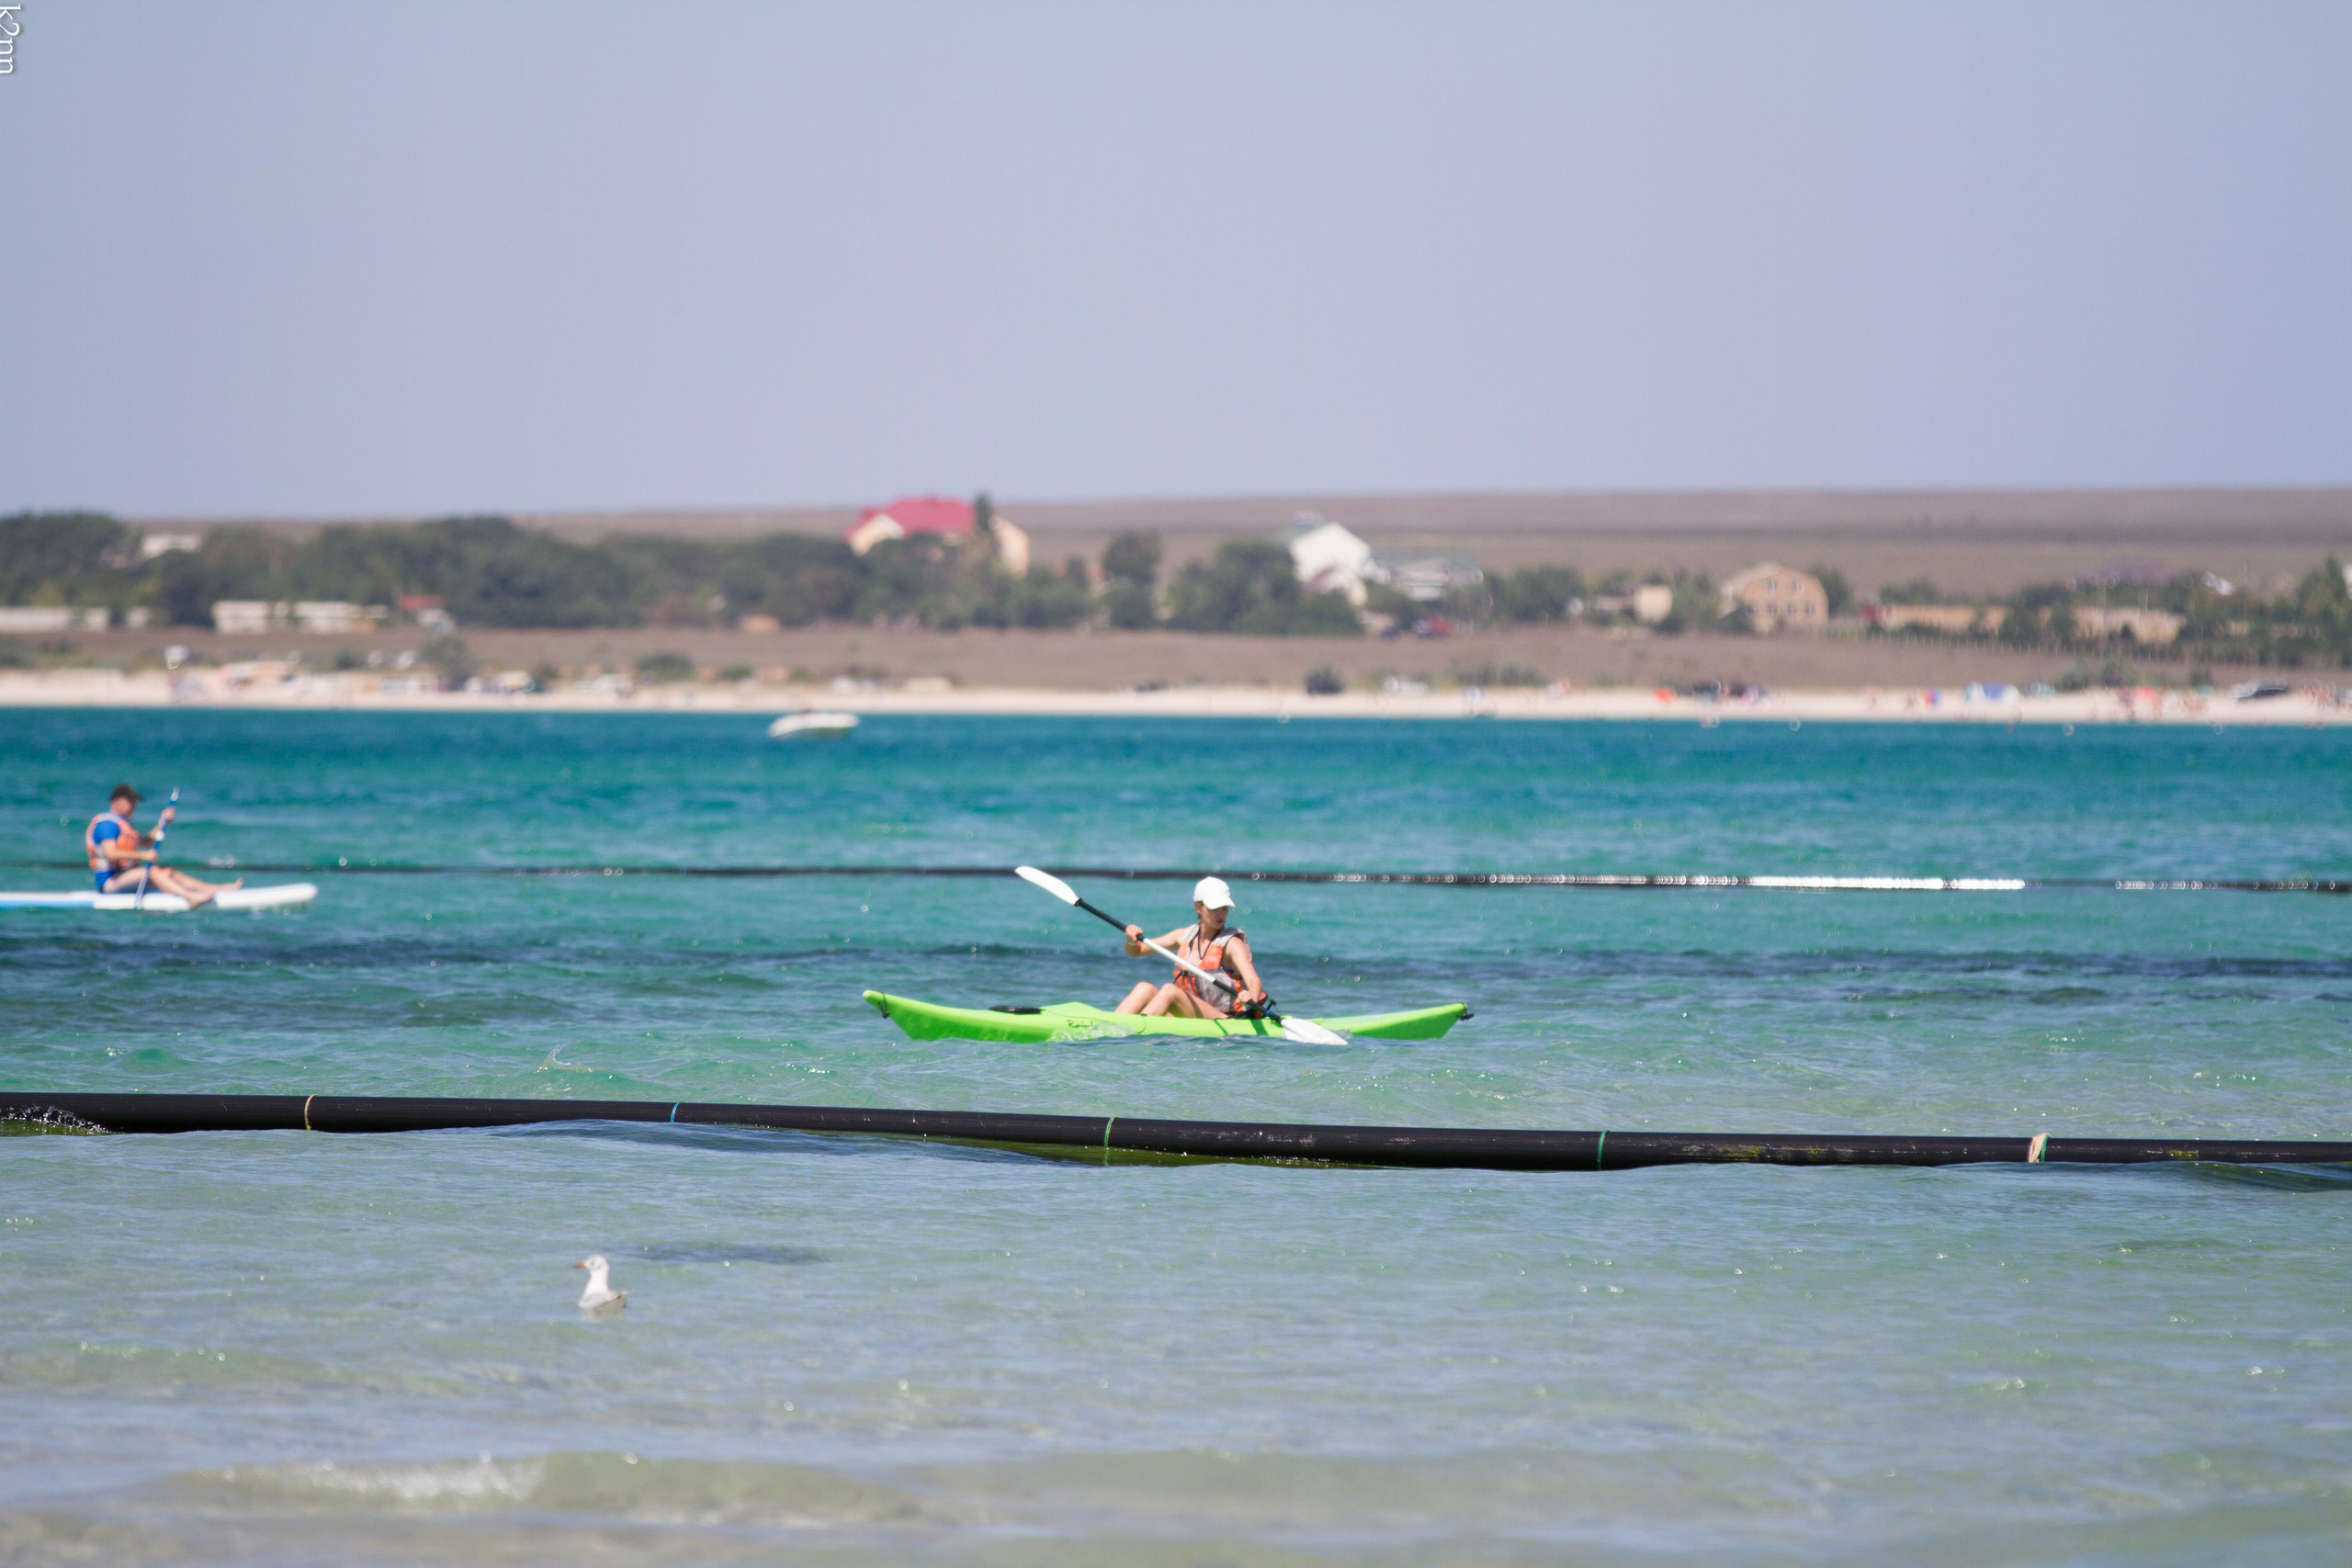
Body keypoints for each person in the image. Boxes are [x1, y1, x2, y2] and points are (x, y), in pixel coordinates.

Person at [1114, 875, 1270, 1019]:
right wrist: (1131, 940)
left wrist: (1251, 997)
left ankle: (1138, 1026)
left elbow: (1253, 980)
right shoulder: (1183, 936)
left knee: (1170, 991)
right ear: (1198, 907)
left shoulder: (1231, 943)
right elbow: (1136, 951)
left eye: (1224, 908)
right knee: (1144, 988)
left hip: (1225, 1018)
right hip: (1191, 1015)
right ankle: (1110, 1025)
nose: (1221, 914)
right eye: (1214, 908)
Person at [85, 784, 241, 907]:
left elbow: (148, 842)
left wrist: (163, 822)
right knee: (152, 871)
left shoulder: (124, 825)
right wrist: (143, 856)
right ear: (117, 801)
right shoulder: (107, 824)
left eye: (135, 802)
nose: (134, 805)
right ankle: (191, 897)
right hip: (110, 883)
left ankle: (215, 889)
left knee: (169, 873)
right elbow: (111, 853)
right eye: (130, 801)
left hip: (126, 878)